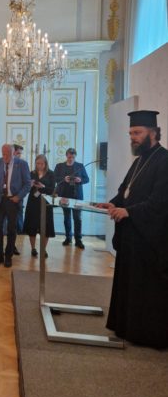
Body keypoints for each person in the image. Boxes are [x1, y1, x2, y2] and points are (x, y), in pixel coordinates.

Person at [98, 110, 168, 349]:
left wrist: (129, 212)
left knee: (145, 287)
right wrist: (113, 204)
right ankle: (126, 327)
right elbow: (124, 191)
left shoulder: (164, 160)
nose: (133, 138)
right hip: (132, 236)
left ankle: (145, 334)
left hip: (150, 240)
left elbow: (160, 202)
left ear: (153, 133)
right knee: (129, 283)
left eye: (137, 133)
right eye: (130, 133)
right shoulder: (139, 161)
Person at [53, 148, 89, 249]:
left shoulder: (80, 166)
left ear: (75, 156)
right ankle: (68, 238)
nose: (71, 159)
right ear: (66, 156)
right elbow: (54, 178)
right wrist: (63, 179)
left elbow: (87, 179)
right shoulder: (59, 166)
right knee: (67, 217)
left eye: (73, 157)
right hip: (64, 195)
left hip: (77, 196)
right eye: (69, 157)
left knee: (77, 218)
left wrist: (80, 180)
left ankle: (78, 240)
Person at [23, 154, 55, 258]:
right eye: (37, 163)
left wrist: (43, 187)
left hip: (46, 202)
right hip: (33, 202)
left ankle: (43, 249)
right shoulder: (31, 173)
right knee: (32, 225)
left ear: (45, 164)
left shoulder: (51, 174)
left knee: (46, 226)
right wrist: (30, 184)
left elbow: (52, 190)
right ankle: (33, 248)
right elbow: (26, 188)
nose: (39, 165)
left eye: (41, 164)